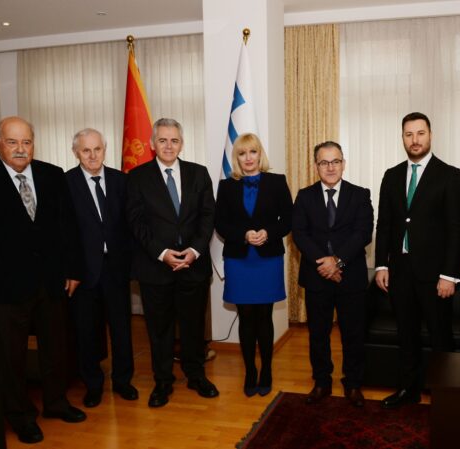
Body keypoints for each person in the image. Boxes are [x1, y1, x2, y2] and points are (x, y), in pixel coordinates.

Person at [0, 116, 85, 444]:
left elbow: (68, 227)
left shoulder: (52, 175)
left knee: (55, 348)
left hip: (51, 282)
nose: (20, 149)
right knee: (11, 357)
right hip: (5, 288)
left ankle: (55, 403)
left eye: (26, 142)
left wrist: (73, 270)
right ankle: (20, 415)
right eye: (12, 142)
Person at [375, 112, 460, 409]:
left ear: (430, 135)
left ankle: (446, 395)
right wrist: (382, 264)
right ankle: (408, 390)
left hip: (436, 275)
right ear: (402, 138)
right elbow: (384, 224)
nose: (415, 140)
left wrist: (449, 274)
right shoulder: (391, 175)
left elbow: (457, 229)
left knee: (441, 337)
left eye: (420, 133)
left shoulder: (450, 175)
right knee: (406, 335)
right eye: (409, 134)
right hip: (400, 272)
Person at [126, 118, 218, 407]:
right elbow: (136, 222)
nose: (169, 146)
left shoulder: (199, 173)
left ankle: (196, 375)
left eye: (174, 140)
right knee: (160, 330)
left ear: (182, 143)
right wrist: (162, 253)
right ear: (152, 143)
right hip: (156, 269)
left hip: (193, 266)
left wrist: (195, 250)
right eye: (163, 140)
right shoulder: (137, 177)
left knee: (193, 327)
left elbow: (208, 216)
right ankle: (163, 381)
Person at [292, 141, 374, 407]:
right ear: (316, 166)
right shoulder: (304, 196)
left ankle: (353, 383)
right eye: (324, 162)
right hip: (316, 276)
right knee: (318, 334)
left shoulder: (360, 194)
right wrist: (325, 264)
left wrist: (337, 262)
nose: (330, 167)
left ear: (343, 163)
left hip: (351, 276)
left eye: (335, 161)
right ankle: (322, 382)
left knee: (353, 334)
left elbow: (363, 233)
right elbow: (300, 234)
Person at [214, 133, 293, 397]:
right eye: (242, 153)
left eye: (253, 152)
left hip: (268, 259)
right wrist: (244, 235)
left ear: (260, 154)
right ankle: (250, 371)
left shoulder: (277, 182)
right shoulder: (226, 186)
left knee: (264, 316)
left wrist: (268, 233)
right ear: (236, 158)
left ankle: (266, 369)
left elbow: (288, 220)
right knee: (246, 317)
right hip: (239, 259)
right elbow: (220, 223)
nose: (248, 158)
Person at [66, 128, 137, 408]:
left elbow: (131, 225)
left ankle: (123, 381)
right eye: (86, 150)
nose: (93, 155)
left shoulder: (122, 181)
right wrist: (70, 270)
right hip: (83, 273)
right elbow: (63, 232)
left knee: (122, 328)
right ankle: (93, 385)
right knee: (86, 331)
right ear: (76, 153)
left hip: (116, 269)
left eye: (97, 149)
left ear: (105, 150)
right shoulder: (66, 183)